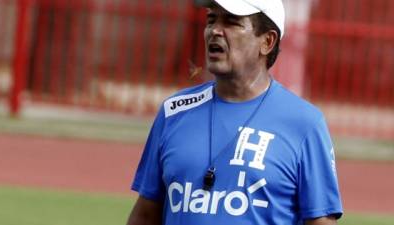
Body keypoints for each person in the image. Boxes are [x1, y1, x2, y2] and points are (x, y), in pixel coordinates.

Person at [127, 0, 343, 224]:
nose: (215, 31)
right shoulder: (174, 111)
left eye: (231, 22)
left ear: (267, 42)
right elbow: (145, 214)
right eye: (211, 20)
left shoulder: (305, 124)